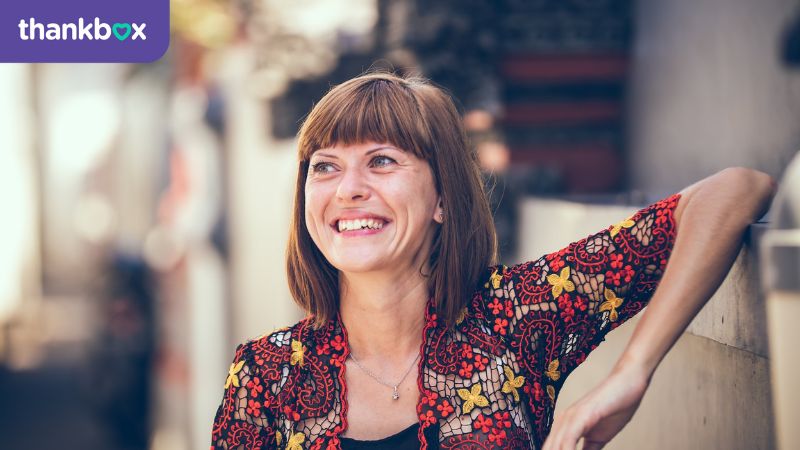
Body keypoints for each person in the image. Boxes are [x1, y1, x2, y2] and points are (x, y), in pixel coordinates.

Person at [210, 72, 776, 450]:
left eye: (381, 161)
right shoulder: (265, 376)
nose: (347, 189)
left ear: (442, 197)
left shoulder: (516, 317)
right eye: (325, 166)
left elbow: (735, 191)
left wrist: (632, 372)